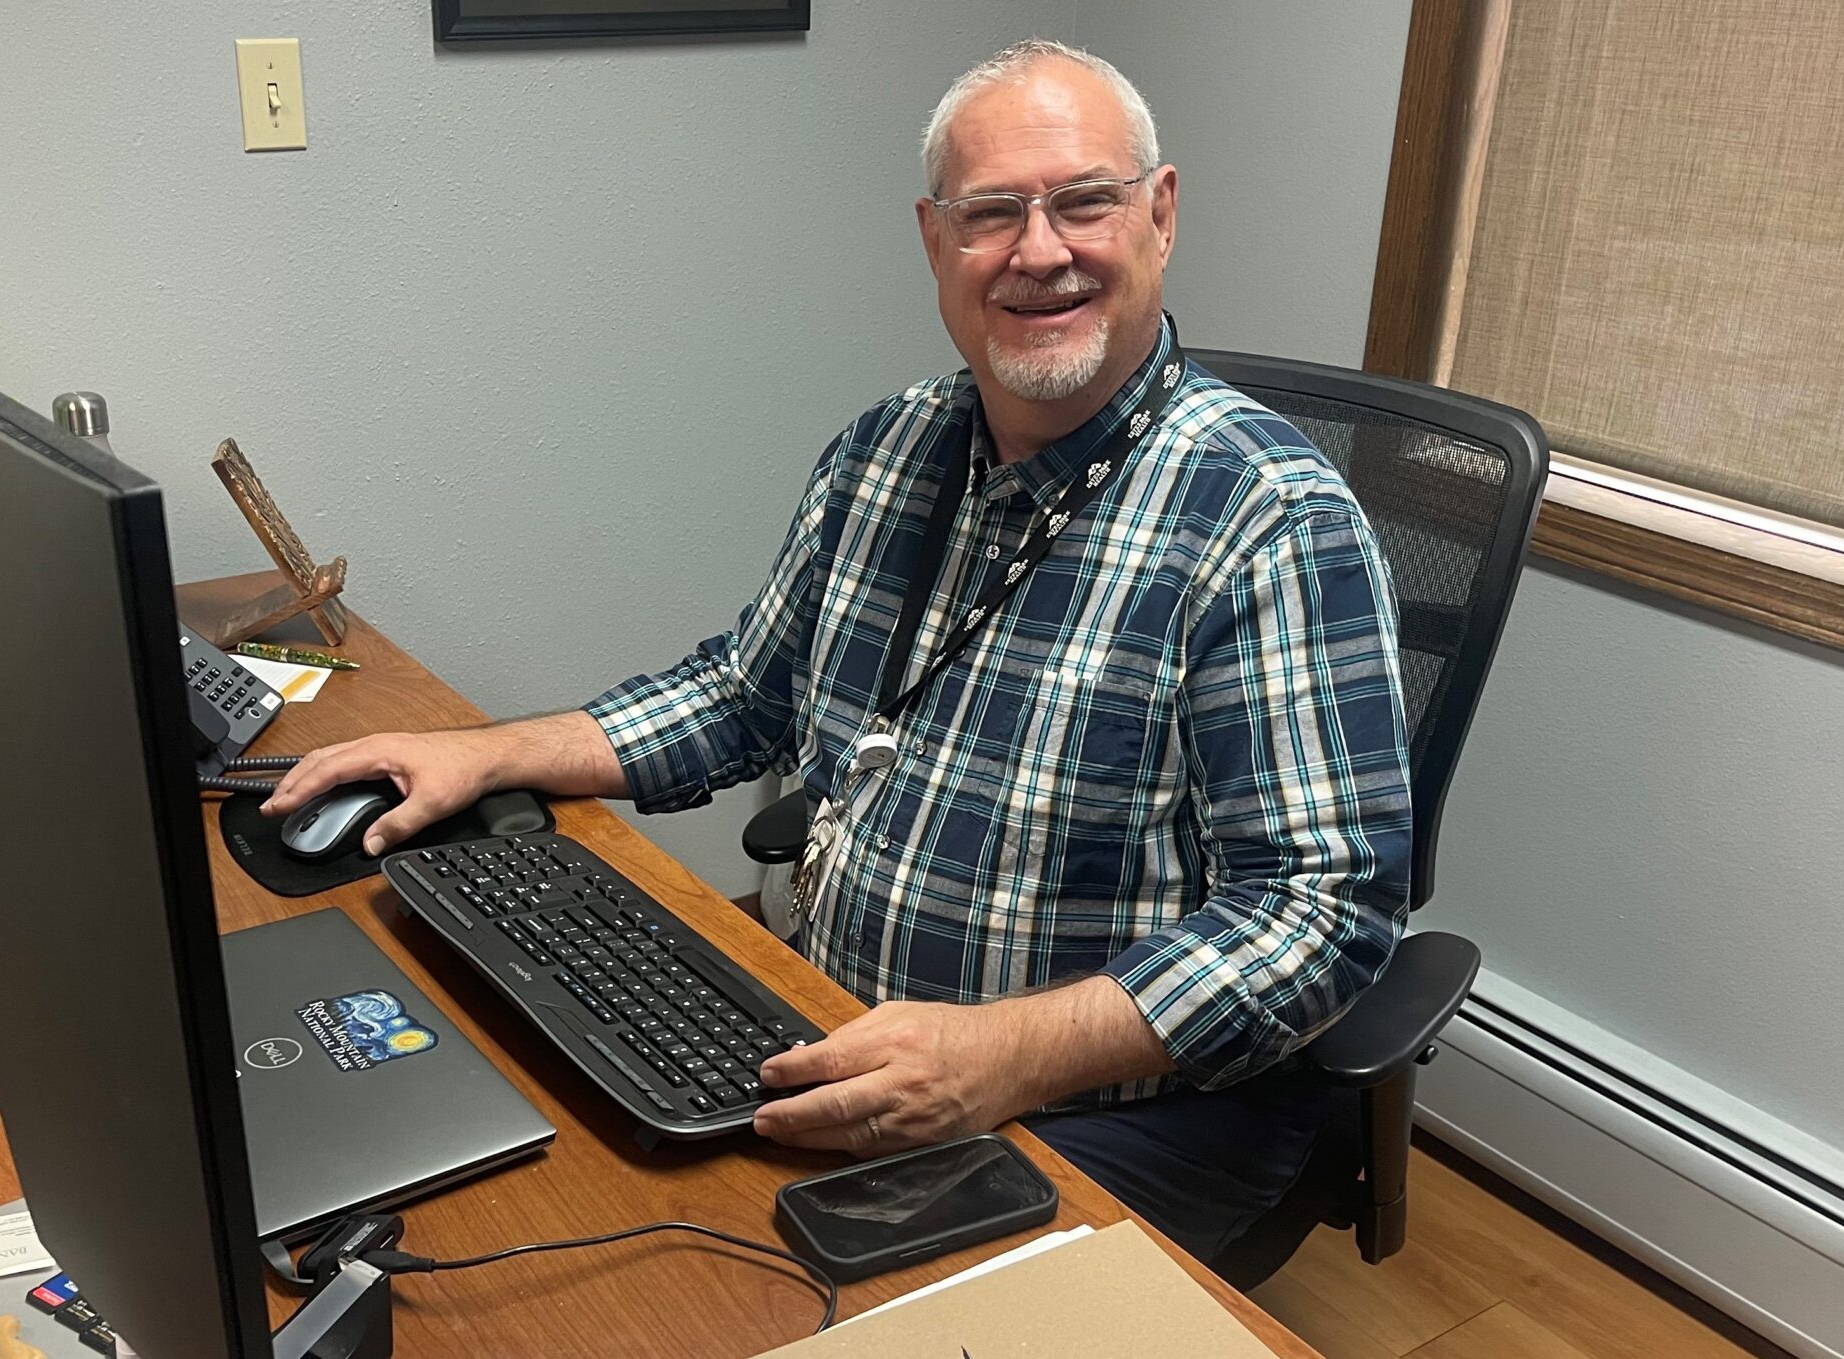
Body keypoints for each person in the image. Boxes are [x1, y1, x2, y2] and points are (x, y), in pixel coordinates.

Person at [263, 39, 1412, 1268]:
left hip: (1118, 1111)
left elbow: (1321, 913)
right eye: (990, 215)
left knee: (718, 1304)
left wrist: (1000, 1055)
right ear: (934, 242)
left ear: (1160, 215)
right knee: (541, 1182)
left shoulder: (1268, 520)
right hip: (835, 1026)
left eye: (1084, 201)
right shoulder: (890, 450)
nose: (1039, 252)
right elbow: (746, 694)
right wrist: (489, 755)